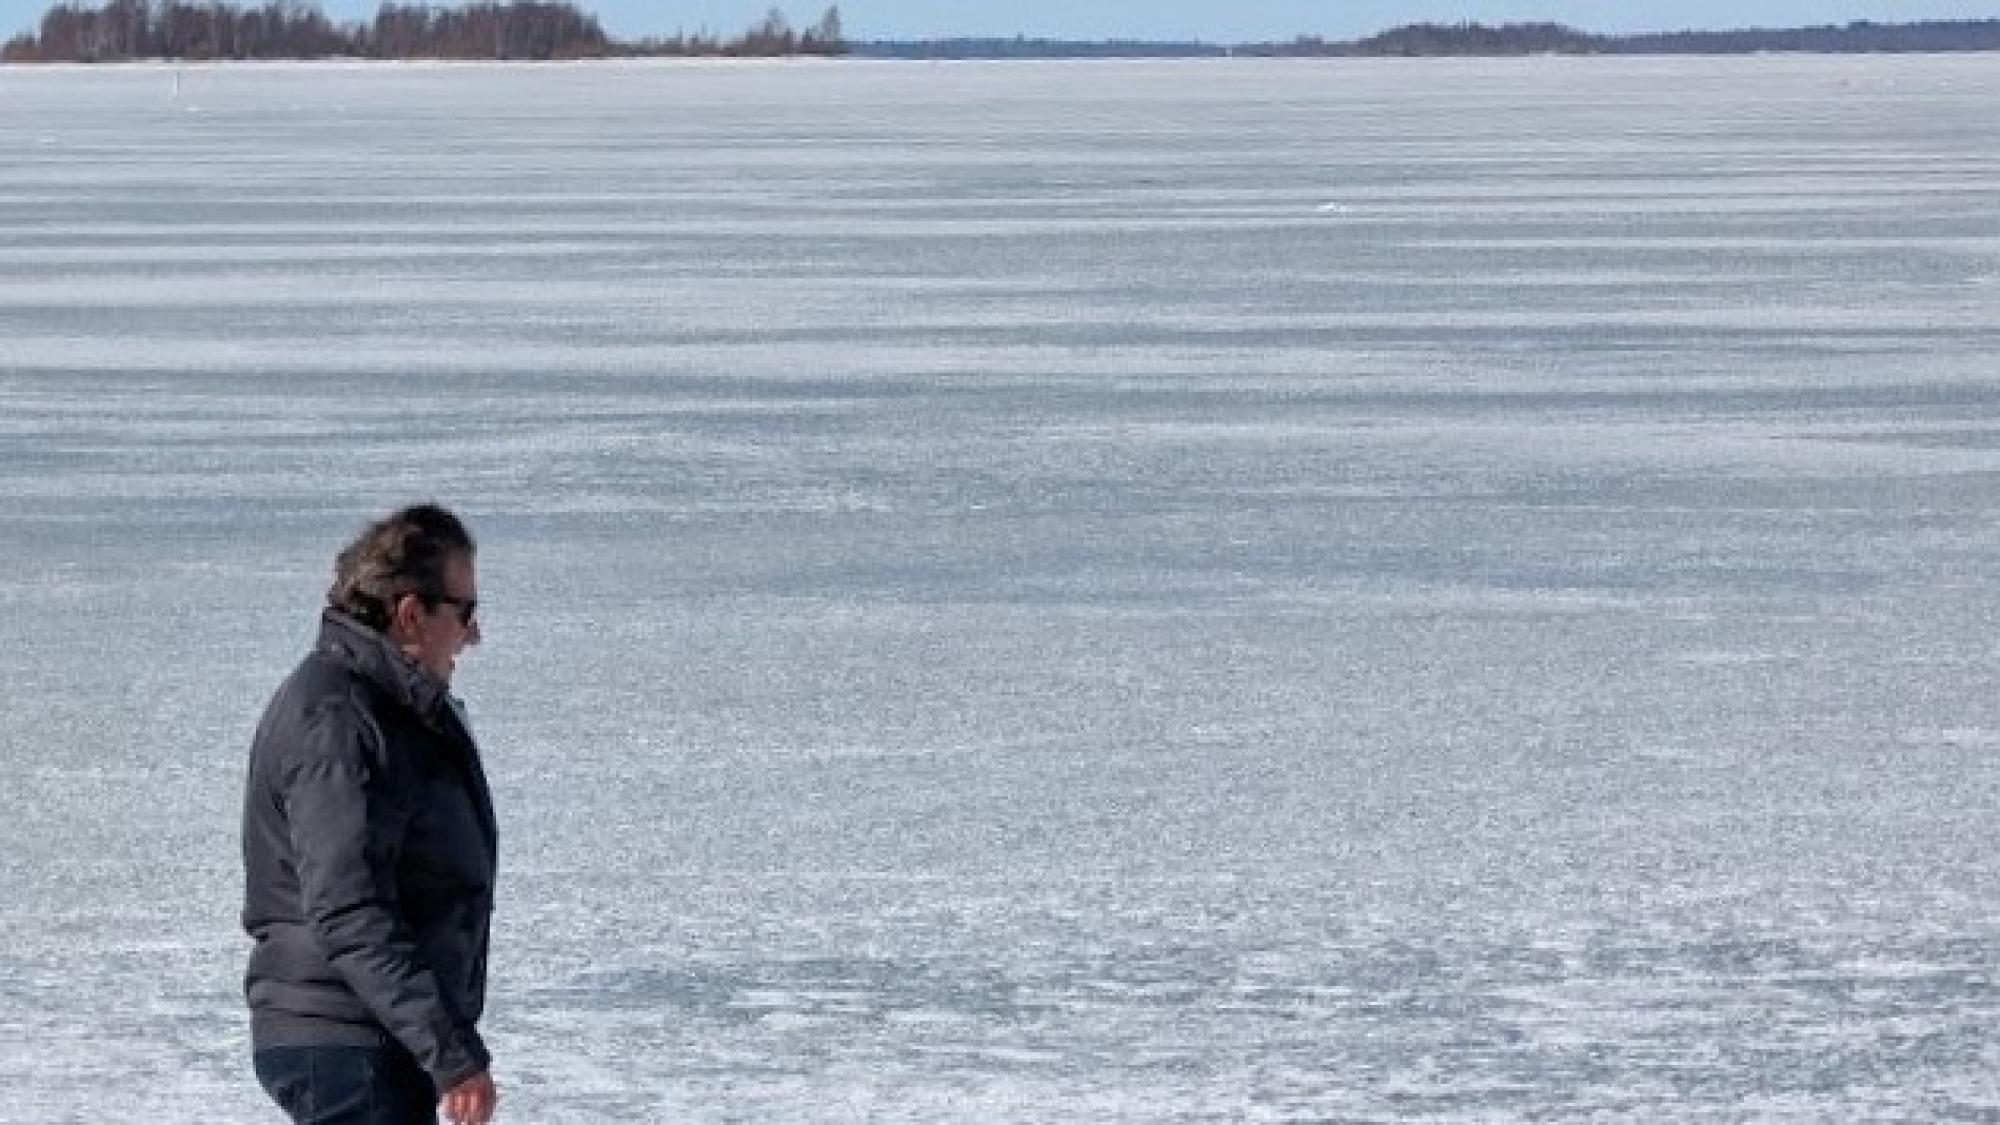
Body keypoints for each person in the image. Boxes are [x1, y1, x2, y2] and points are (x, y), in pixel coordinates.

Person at [241, 503, 500, 1125]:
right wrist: (450, 1052)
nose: (475, 635)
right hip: (346, 1040)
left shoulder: (387, 708)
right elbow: (349, 908)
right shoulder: (339, 723)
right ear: (410, 613)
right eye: (465, 613)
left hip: (369, 1038)